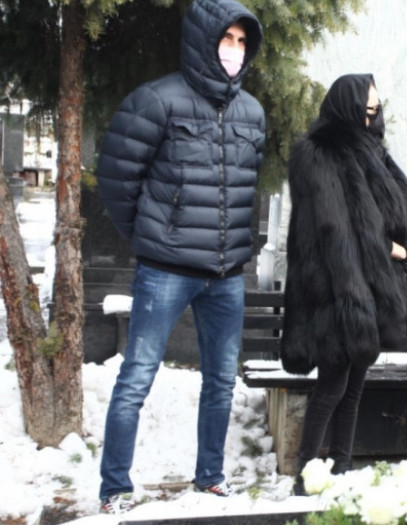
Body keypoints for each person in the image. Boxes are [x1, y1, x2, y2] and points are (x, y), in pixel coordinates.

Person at [94, 0, 264, 514]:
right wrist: (152, 238)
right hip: (165, 271)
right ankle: (114, 488)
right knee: (136, 378)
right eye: (226, 38)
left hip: (226, 275)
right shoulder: (156, 100)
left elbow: (247, 191)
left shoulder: (252, 112)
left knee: (221, 382)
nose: (234, 49)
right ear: (203, 40)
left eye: (242, 41)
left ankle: (210, 477)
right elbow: (117, 178)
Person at [281, 74, 407, 493]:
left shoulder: (372, 151)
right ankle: (305, 474)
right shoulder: (319, 151)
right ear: (347, 107)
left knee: (354, 388)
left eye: (377, 109)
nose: (373, 117)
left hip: (367, 284)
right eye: (366, 109)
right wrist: (387, 249)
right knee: (332, 386)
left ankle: (341, 467)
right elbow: (333, 226)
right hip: (336, 286)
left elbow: (394, 209)